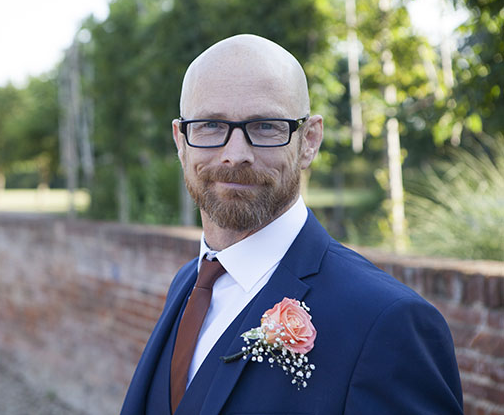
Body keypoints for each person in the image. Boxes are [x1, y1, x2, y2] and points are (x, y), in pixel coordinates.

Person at [120, 34, 463, 415]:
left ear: (309, 140)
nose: (235, 155)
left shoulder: (388, 322)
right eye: (211, 125)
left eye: (266, 126)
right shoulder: (188, 282)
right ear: (181, 141)